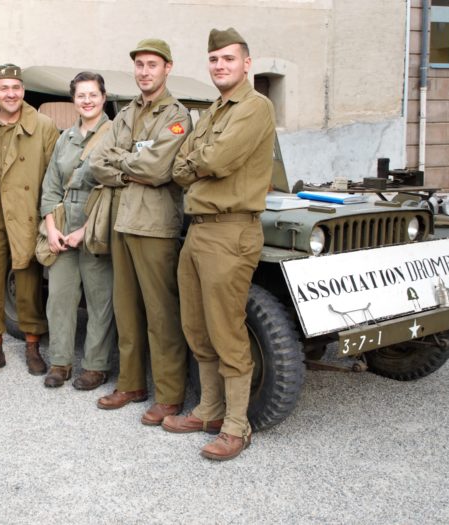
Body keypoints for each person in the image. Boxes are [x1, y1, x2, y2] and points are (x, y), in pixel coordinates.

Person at [165, 28, 276, 461]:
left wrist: (200, 161)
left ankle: (237, 425)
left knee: (228, 331)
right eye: (213, 59)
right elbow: (180, 165)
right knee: (197, 326)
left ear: (246, 63)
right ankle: (209, 409)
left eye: (228, 59)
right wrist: (199, 161)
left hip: (231, 229)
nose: (220, 66)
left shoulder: (254, 107)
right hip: (199, 230)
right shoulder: (213, 110)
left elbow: (213, 159)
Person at [90, 39, 191, 425]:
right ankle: (131, 383)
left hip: (154, 225)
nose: (144, 71)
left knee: (160, 313)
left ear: (168, 68)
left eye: (152, 64)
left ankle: (169, 395)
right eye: (139, 65)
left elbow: (158, 169)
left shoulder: (176, 115)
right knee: (126, 309)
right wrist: (132, 164)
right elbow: (98, 160)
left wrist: (126, 162)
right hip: (121, 219)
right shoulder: (126, 111)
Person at [0, 64, 59, 378]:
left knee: (28, 280)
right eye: (4, 88)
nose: (11, 94)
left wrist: (49, 215)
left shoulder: (44, 125)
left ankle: (33, 347)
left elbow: (52, 174)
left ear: (23, 91)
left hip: (26, 209)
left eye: (16, 88)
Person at [39, 72, 117, 390]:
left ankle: (96, 366)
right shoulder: (65, 138)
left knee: (100, 299)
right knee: (59, 297)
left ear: (103, 97)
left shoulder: (114, 134)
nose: (87, 101)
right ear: (73, 100)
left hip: (96, 225)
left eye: (92, 94)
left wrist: (85, 230)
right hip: (63, 224)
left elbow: (112, 187)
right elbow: (51, 185)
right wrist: (52, 228)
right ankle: (60, 362)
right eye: (80, 95)